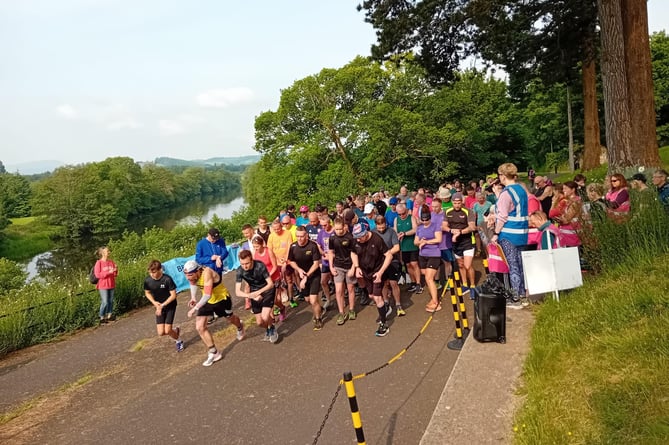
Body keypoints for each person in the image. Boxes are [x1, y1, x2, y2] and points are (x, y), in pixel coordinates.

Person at [184, 260, 245, 367]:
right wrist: (193, 297)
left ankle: (240, 326)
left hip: (221, 300)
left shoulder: (207, 273)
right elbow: (193, 283)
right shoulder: (193, 275)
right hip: (207, 302)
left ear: (198, 271)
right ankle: (214, 352)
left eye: (191, 275)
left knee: (230, 319)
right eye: (187, 276)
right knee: (200, 327)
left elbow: (207, 294)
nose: (189, 278)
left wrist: (195, 308)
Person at [490, 163, 530, 304]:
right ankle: (523, 293)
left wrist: (495, 233)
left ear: (502, 176)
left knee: (512, 265)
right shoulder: (521, 189)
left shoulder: (506, 193)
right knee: (520, 264)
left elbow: (502, 216)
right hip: (522, 232)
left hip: (508, 233)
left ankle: (515, 297)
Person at [351, 223, 393, 337]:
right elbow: (353, 253)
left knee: (377, 297)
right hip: (365, 272)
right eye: (356, 237)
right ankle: (385, 307)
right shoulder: (356, 241)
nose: (358, 240)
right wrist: (356, 267)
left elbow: (389, 255)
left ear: (365, 233)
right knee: (372, 296)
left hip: (377, 271)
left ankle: (383, 324)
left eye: (360, 237)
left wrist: (380, 273)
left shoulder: (377, 239)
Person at [235, 250, 279, 343]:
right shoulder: (240, 270)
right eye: (242, 264)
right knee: (259, 322)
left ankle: (272, 328)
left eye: (247, 263)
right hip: (254, 293)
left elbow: (270, 284)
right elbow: (237, 292)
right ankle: (268, 329)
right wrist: (250, 295)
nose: (245, 266)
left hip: (267, 290)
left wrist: (258, 292)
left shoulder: (260, 266)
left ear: (252, 260)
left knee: (265, 317)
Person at [288, 226, 324, 330]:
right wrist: (299, 270)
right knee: (308, 300)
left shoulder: (312, 246)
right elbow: (291, 261)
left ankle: (318, 319)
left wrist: (306, 277)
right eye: (297, 236)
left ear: (306, 235)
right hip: (302, 275)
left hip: (314, 275)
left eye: (302, 236)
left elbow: (316, 264)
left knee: (313, 300)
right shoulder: (293, 246)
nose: (300, 238)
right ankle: (319, 308)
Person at [143, 260, 183, 351]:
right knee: (161, 333)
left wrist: (162, 305)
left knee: (168, 330)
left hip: (170, 306)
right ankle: (175, 331)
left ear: (160, 270)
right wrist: (154, 302)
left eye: (154, 272)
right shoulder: (147, 281)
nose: (151, 274)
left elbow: (173, 295)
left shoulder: (167, 279)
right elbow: (147, 292)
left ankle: (179, 341)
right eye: (150, 272)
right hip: (159, 307)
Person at [444, 194, 477, 296]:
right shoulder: (448, 211)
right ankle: (465, 284)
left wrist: (460, 232)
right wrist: (450, 230)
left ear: (462, 202)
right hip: (455, 242)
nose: (457, 205)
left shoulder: (468, 211)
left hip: (467, 241)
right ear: (452, 202)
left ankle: (472, 285)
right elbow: (444, 226)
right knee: (461, 265)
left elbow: (472, 227)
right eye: (455, 203)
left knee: (468, 265)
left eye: (459, 203)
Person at [328, 217, 358, 325]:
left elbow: (354, 253)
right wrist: (331, 267)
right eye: (336, 229)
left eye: (340, 229)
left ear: (344, 227)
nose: (339, 231)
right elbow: (331, 252)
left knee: (350, 288)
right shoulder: (332, 238)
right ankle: (341, 312)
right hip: (338, 266)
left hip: (349, 265)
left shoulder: (350, 237)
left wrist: (353, 268)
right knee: (339, 290)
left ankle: (351, 309)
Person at [415, 204, 443, 312]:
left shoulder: (435, 226)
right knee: (425, 276)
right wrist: (420, 242)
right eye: (423, 220)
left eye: (426, 220)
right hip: (423, 255)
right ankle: (433, 296)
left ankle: (436, 301)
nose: (425, 222)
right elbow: (415, 241)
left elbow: (438, 239)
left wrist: (426, 241)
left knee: (429, 278)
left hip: (433, 254)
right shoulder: (419, 228)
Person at [374, 215, 404, 317]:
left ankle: (398, 304)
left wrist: (387, 254)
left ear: (385, 224)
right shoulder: (373, 233)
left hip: (392, 261)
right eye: (379, 228)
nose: (381, 230)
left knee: (393, 283)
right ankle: (386, 302)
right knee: (383, 283)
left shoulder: (391, 232)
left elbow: (396, 247)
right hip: (380, 263)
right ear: (376, 225)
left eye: (383, 227)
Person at [251, 235, 286, 322]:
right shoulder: (255, 254)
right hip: (265, 281)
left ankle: (282, 308)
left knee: (276, 300)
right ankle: (272, 318)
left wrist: (268, 275)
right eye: (254, 247)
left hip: (274, 277)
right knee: (268, 299)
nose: (256, 248)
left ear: (262, 244)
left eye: (257, 246)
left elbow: (275, 266)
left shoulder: (268, 251)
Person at [268, 217, 297, 307]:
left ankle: (291, 298)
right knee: (278, 284)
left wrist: (285, 259)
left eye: (278, 228)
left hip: (286, 261)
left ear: (281, 226)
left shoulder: (287, 234)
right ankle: (278, 302)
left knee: (289, 281)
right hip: (276, 262)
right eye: (275, 229)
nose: (277, 231)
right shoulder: (271, 236)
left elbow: (289, 246)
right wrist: (276, 260)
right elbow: (270, 250)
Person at [395, 202, 421, 294]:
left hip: (412, 244)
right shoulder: (396, 220)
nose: (402, 215)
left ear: (406, 211)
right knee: (407, 265)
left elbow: (415, 229)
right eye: (400, 214)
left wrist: (405, 233)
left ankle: (418, 283)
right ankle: (413, 282)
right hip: (403, 246)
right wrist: (397, 235)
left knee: (414, 264)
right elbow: (395, 230)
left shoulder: (411, 218)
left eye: (403, 213)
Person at [94, 246, 118, 324]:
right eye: (108, 251)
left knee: (110, 301)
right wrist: (109, 272)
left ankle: (109, 316)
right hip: (103, 285)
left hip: (111, 284)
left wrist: (116, 270)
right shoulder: (99, 263)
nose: (109, 252)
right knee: (105, 301)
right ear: (103, 253)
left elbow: (114, 274)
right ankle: (101, 317)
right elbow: (98, 275)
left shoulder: (111, 262)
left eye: (109, 251)